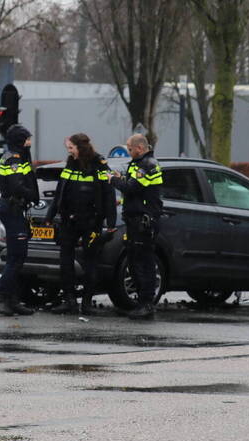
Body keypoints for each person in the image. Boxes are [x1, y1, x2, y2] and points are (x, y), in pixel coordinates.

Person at [46, 133, 116, 315]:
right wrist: (50, 215)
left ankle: (86, 303)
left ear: (80, 147)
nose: (69, 151)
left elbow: (109, 195)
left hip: (91, 221)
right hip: (69, 220)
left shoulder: (99, 165)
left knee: (90, 261)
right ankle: (69, 301)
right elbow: (60, 191)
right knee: (65, 261)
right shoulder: (70, 164)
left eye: (71, 147)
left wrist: (111, 223)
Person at [109, 133, 163, 320]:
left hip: (144, 222)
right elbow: (132, 188)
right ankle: (140, 303)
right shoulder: (138, 163)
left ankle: (147, 304)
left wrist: (113, 180)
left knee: (144, 264)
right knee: (133, 263)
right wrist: (121, 178)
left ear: (139, 148)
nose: (129, 151)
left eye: (130, 149)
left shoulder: (148, 165)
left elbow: (132, 188)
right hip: (134, 221)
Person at [0, 123, 39, 316]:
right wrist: (33, 196)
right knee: (17, 256)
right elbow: (17, 186)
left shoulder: (20, 157)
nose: (29, 142)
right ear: (20, 140)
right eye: (27, 139)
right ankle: (1, 298)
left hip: (15, 209)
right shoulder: (13, 159)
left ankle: (13, 299)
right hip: (12, 209)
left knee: (17, 256)